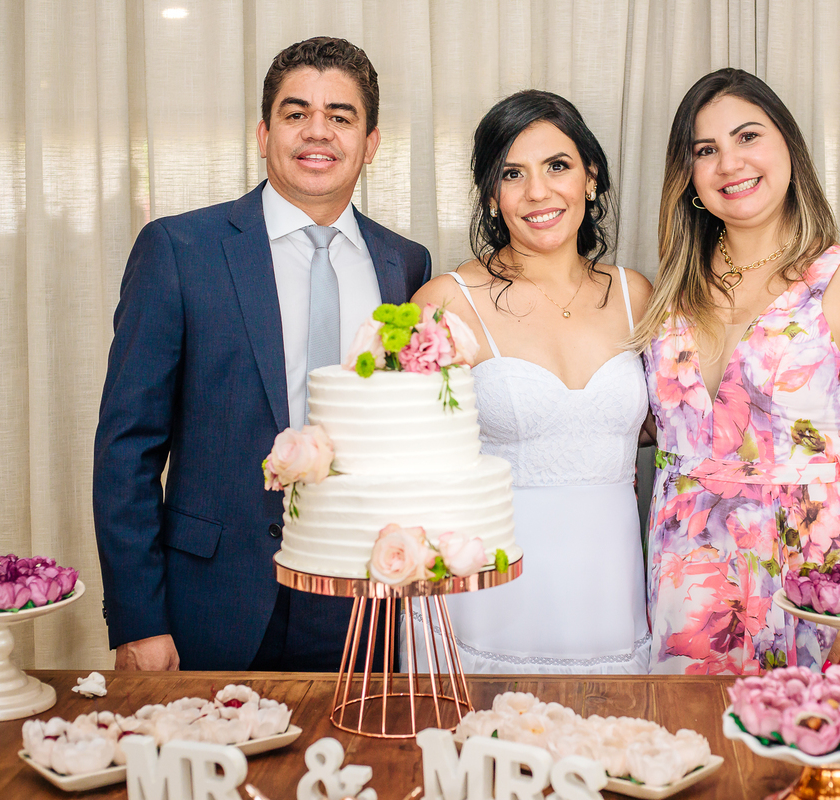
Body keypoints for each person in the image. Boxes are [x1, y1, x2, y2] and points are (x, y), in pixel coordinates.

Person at [93, 37, 431, 672]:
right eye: (296, 112)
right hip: (214, 600)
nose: (318, 131)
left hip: (366, 601)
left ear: (371, 143)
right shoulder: (180, 250)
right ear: (263, 133)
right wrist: (139, 619)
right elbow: (126, 447)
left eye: (340, 116)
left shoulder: (405, 264)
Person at [631, 69, 840, 675]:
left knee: (826, 737)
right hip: (687, 592)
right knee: (694, 737)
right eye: (705, 150)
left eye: (748, 137)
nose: (729, 163)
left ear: (789, 147)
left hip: (826, 584)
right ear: (689, 178)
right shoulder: (664, 296)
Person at [408, 90, 653, 673]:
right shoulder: (446, 302)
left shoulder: (636, 294)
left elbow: (664, 424)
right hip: (489, 589)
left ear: (591, 177)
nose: (538, 192)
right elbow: (405, 458)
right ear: (491, 197)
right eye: (512, 173)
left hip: (608, 587)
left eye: (557, 166)